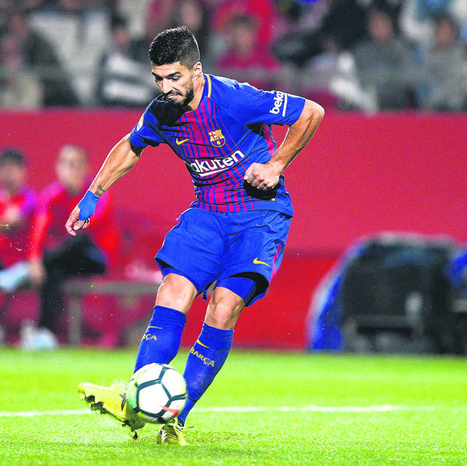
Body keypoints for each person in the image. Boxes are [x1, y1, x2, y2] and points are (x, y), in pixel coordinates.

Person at [72, 26, 323, 445]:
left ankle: (175, 417)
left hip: (258, 216)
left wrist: (277, 164)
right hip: (207, 212)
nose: (166, 87)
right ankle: (136, 402)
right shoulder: (162, 111)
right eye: (158, 78)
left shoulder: (234, 98)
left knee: (223, 310)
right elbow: (131, 145)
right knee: (171, 291)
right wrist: (92, 196)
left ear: (197, 70)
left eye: (175, 77)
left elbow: (310, 111)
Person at [22, 145, 119, 351]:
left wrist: (38, 260)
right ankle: (44, 333)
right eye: (67, 164)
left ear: (87, 168)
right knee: (52, 271)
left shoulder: (98, 193)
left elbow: (86, 224)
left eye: (76, 165)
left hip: (96, 259)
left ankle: (25, 270)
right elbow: (39, 229)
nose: (71, 170)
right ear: (58, 167)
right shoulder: (50, 195)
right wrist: (34, 259)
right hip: (66, 260)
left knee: (79, 240)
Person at [0, 148, 37, 295]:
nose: (8, 174)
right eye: (4, 168)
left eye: (13, 169)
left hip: (24, 264)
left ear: (23, 171)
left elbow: (11, 221)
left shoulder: (31, 199)